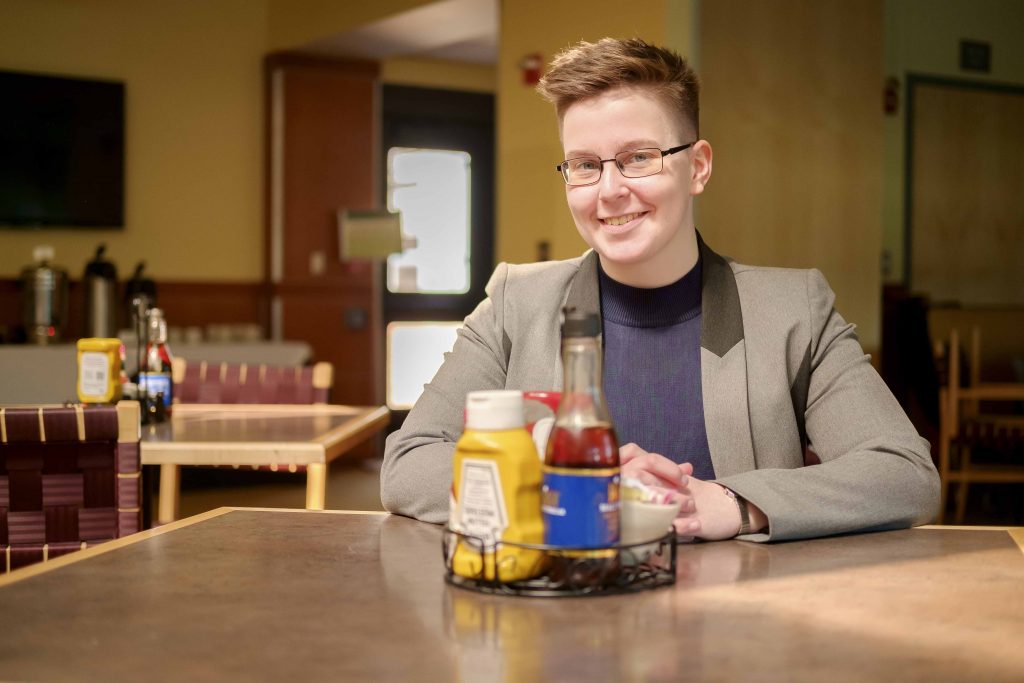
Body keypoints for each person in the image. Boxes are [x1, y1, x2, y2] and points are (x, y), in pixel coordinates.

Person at [380, 37, 939, 541]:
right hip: (556, 610)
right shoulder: (515, 303)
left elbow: (903, 472)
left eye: (639, 158)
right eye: (584, 165)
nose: (609, 190)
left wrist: (732, 503)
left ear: (698, 167)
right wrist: (567, 484)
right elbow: (409, 462)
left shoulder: (794, 311)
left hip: (740, 613)